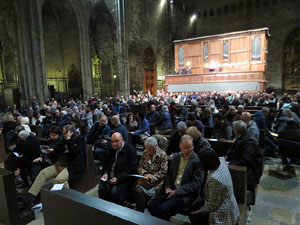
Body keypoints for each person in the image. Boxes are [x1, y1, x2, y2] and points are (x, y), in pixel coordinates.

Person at [25, 125, 86, 208]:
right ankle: (31, 196)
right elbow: (58, 148)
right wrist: (54, 150)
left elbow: (74, 151)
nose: (63, 134)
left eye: (65, 133)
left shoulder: (80, 139)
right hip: (60, 164)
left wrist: (68, 139)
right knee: (43, 173)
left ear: (71, 132)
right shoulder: (64, 138)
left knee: (60, 179)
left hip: (72, 166)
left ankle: (67, 200)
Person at [148, 135, 204, 221]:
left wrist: (177, 192)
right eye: (184, 148)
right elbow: (169, 175)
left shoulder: (197, 160)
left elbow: (195, 184)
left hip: (185, 194)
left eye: (189, 148)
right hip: (171, 188)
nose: (186, 151)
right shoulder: (176, 157)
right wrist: (167, 187)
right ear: (180, 146)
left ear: (193, 147)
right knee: (152, 205)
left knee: (164, 209)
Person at [190, 148, 239, 225]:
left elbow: (213, 205)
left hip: (222, 210)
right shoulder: (221, 162)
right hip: (229, 202)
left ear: (206, 162)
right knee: (193, 206)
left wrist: (199, 211)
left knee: (195, 217)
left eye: (200, 161)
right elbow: (222, 157)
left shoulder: (214, 179)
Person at [98, 132, 138, 205]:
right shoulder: (110, 149)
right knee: (102, 189)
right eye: (112, 141)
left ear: (122, 140)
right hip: (110, 177)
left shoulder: (130, 150)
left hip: (123, 179)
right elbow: (105, 164)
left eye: (116, 141)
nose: (114, 144)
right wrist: (105, 173)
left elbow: (131, 169)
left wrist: (118, 178)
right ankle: (104, 209)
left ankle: (116, 213)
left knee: (115, 192)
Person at [226, 120, 263, 191]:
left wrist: (230, 165)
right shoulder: (240, 137)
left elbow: (246, 161)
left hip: (249, 172)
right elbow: (232, 149)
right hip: (237, 164)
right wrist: (227, 156)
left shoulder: (249, 142)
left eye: (233, 128)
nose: (232, 130)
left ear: (236, 130)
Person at [135, 137, 168, 212]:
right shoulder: (145, 152)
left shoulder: (162, 155)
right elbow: (140, 166)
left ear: (155, 146)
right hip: (144, 180)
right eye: (147, 149)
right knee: (138, 191)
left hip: (156, 183)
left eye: (150, 149)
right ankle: (139, 214)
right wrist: (145, 173)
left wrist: (152, 177)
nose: (148, 151)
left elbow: (163, 172)